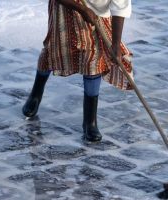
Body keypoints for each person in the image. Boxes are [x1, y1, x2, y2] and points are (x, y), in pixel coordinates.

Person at [22, 0, 133, 142]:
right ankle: (36, 94)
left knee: (94, 59)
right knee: (55, 52)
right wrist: (82, 9)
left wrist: (116, 44)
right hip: (66, 8)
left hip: (98, 15)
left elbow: (121, 7)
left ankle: (90, 122)